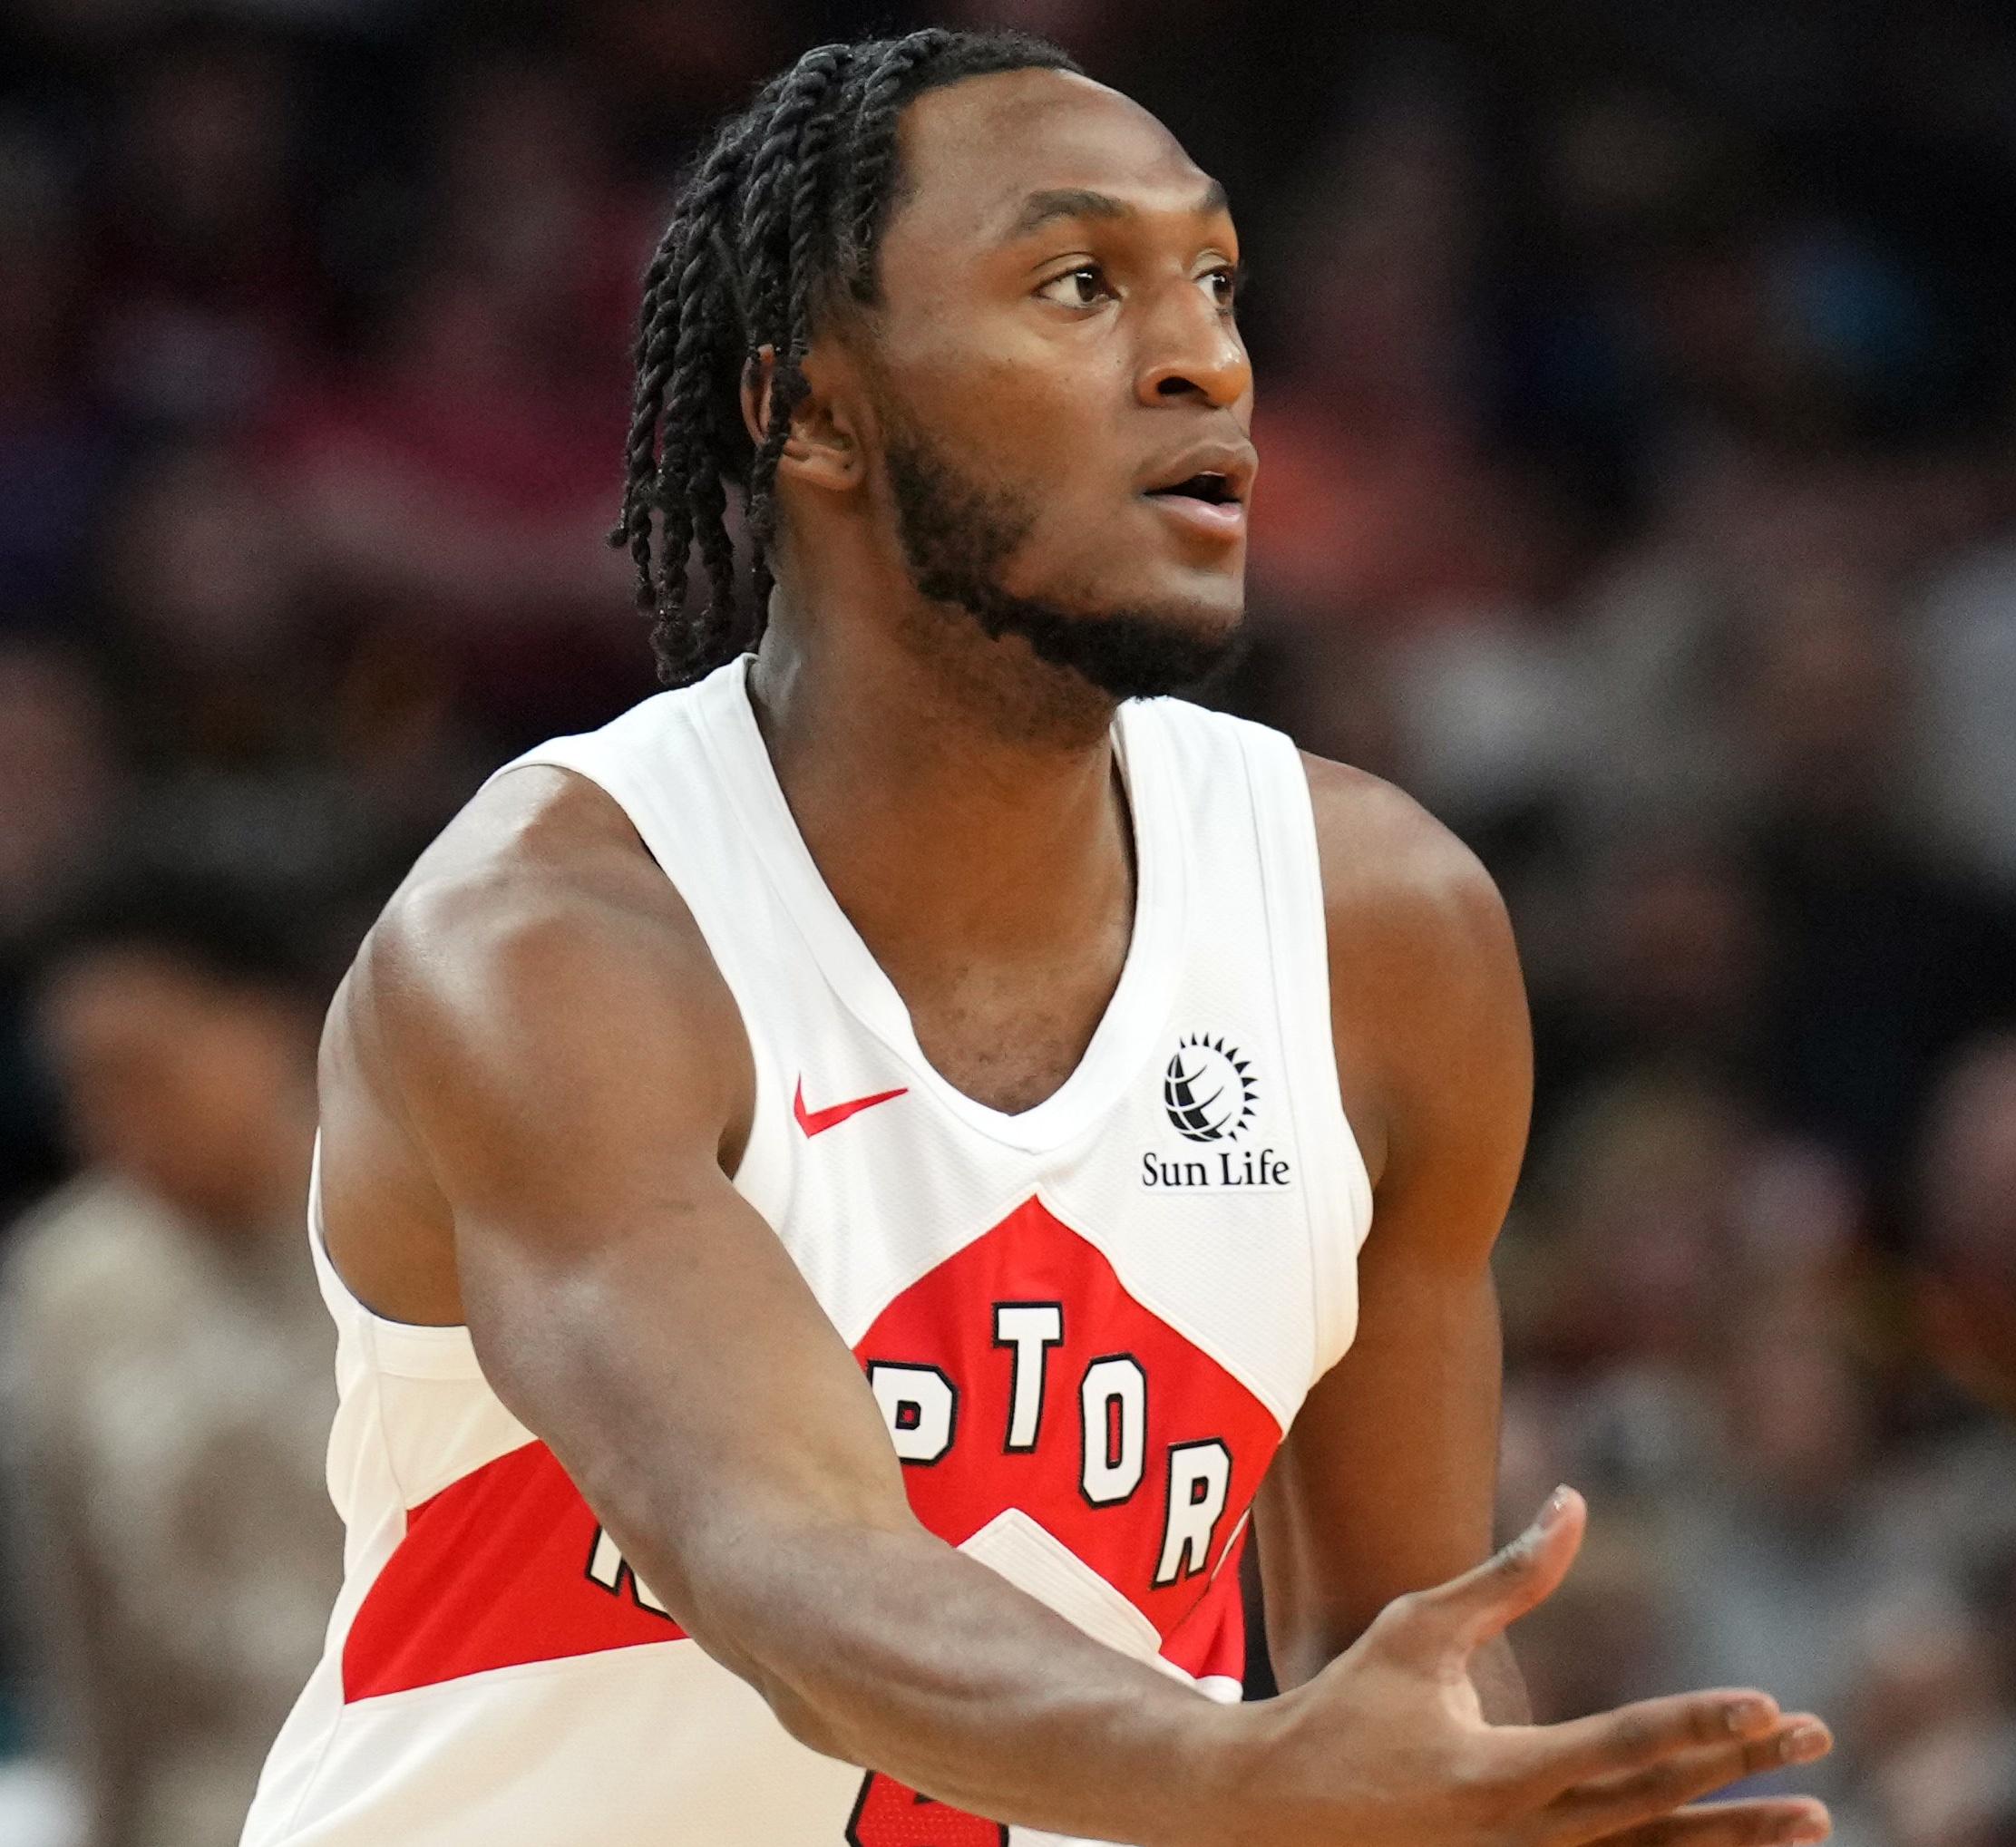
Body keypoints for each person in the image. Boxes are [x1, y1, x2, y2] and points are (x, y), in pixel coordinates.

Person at [239, 29, 1829, 1847]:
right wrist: (1241, 1773)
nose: (1201, 357)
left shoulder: (1378, 932)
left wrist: (1504, 1817)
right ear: (811, 407)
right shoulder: (549, 944)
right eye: (1078, 283)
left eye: (1217, 282)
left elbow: (1388, 1669)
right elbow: (779, 1558)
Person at [4, 866, 343, 1847]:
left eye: (139, 1071)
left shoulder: (425, 1237)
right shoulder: (71, 1286)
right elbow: (79, 1623)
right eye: (82, 1085)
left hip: (438, 1777)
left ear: (266, 1024)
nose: (107, 1119)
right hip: (209, 1806)